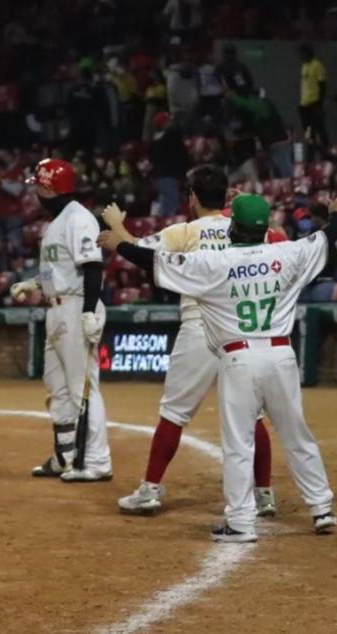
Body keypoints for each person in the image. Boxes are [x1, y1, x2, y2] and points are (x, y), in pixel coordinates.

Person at [99, 193, 337, 542]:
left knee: (238, 442)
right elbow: (328, 237)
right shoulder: (288, 252)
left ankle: (241, 522)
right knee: (297, 435)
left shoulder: (215, 262)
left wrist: (119, 243)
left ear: (234, 226)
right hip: (281, 354)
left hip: (239, 356)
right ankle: (322, 508)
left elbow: (153, 261)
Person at [102, 166, 276, 517]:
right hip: (240, 330)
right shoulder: (242, 228)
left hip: (199, 327)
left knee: (174, 413)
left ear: (193, 197)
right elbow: (276, 238)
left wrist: (115, 224)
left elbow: (139, 251)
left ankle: (150, 489)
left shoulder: (183, 231)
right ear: (227, 197)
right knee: (252, 417)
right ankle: (264, 494)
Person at [12, 159, 113, 482]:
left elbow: (93, 267)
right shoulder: (55, 222)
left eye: (39, 186)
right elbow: (53, 270)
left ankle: (96, 462)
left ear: (50, 187)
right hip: (55, 309)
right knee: (57, 389)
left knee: (81, 389)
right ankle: (65, 456)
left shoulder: (78, 218)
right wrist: (34, 283)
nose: (36, 192)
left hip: (75, 306)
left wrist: (88, 311)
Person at [298, 44, 328, 150]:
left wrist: (320, 103)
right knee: (308, 132)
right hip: (304, 104)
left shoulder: (317, 65)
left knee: (319, 128)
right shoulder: (304, 66)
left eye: (303, 53)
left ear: (309, 53)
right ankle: (311, 152)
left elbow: (322, 85)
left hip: (314, 103)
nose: (301, 56)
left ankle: (326, 149)